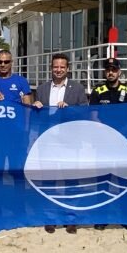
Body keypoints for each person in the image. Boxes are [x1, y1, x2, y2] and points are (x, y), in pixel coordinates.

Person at [34, 53, 88, 234]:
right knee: (49, 180)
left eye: (62, 67)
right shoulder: (41, 89)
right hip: (48, 142)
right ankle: (50, 217)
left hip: (70, 142)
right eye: (55, 67)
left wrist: (70, 109)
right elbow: (34, 117)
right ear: (51, 68)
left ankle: (70, 218)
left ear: (68, 69)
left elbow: (85, 113)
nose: (58, 70)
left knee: (70, 180)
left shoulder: (78, 89)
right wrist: (36, 106)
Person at [89, 57, 127, 230]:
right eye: (108, 69)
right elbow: (93, 115)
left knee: (123, 180)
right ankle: (101, 216)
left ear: (119, 71)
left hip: (123, 144)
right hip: (103, 144)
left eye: (114, 69)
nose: (110, 72)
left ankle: (126, 217)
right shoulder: (98, 90)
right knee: (102, 180)